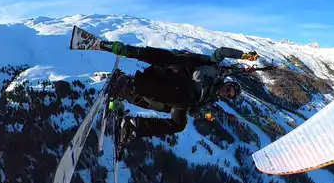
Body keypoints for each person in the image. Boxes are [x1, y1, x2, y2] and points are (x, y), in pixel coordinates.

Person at [97, 39, 258, 143]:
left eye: (229, 96)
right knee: (176, 62)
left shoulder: (210, 99)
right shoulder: (215, 71)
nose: (227, 92)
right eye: (229, 89)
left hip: (171, 93)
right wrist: (243, 55)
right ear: (227, 83)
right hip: (172, 74)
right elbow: (221, 52)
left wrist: (202, 112)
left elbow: (194, 112)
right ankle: (128, 53)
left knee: (179, 123)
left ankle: (133, 124)